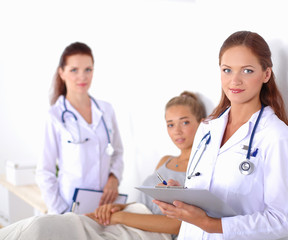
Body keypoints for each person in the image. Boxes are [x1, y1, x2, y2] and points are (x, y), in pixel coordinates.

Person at [154, 31, 288, 240]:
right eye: (227, 70)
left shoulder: (276, 136)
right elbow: (205, 193)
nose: (235, 80)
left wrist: (210, 224)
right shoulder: (207, 128)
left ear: (266, 74)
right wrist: (181, 197)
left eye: (247, 71)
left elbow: (281, 221)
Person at [0, 91, 207, 240]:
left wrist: (121, 216)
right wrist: (118, 207)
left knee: (46, 232)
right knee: (45, 225)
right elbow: (144, 203)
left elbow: (179, 225)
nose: (177, 131)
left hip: (148, 232)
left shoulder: (201, 169)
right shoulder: (165, 161)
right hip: (129, 216)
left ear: (202, 123)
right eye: (170, 124)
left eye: (185, 122)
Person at [36, 42, 124, 214]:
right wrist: (61, 212)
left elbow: (118, 152)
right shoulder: (55, 116)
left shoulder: (106, 110)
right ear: (61, 72)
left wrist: (114, 177)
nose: (82, 77)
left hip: (104, 206)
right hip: (69, 206)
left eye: (88, 70)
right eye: (74, 70)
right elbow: (44, 172)